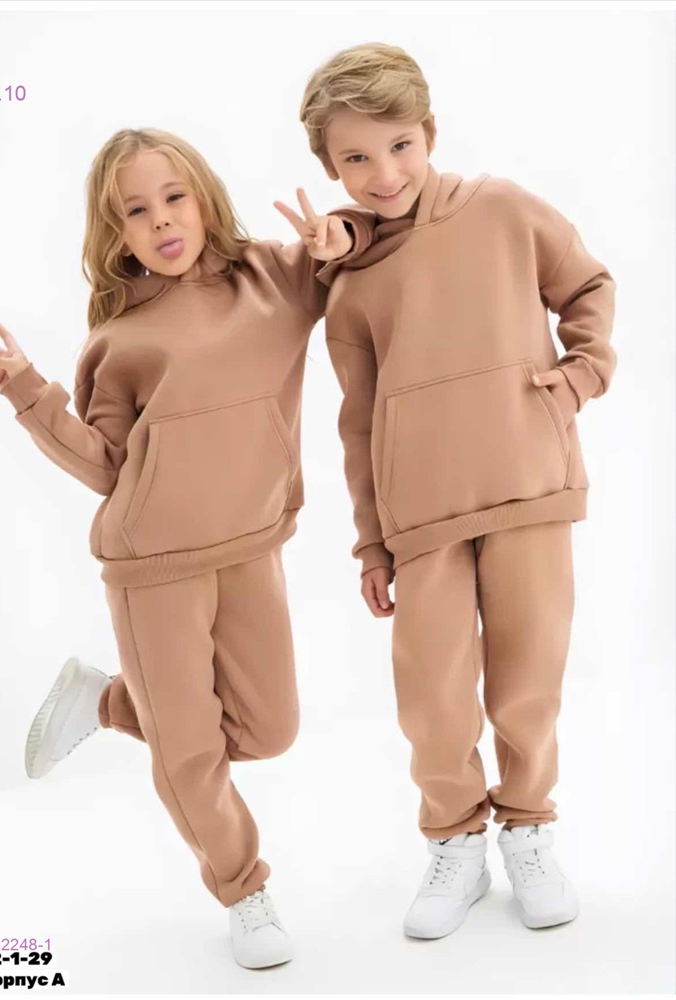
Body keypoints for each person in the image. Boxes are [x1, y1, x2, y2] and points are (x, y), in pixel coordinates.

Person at [0, 127, 372, 970]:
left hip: (252, 544)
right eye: (136, 211)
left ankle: (110, 703)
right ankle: (244, 892)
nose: (160, 220)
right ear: (115, 233)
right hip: (151, 566)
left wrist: (339, 236)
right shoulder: (120, 340)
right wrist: (30, 393)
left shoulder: (273, 276)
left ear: (204, 197)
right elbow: (104, 467)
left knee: (269, 731)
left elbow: (349, 254)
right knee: (189, 750)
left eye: (173, 197)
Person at [299, 43, 616, 938]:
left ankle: (529, 829)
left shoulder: (503, 209)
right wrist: (370, 540)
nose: (383, 173)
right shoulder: (349, 284)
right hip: (421, 514)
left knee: (528, 681)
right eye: (356, 158)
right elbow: (358, 422)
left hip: (528, 484)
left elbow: (588, 286)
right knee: (432, 696)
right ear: (329, 168)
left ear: (429, 133)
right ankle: (455, 843)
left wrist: (582, 374)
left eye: (399, 145)